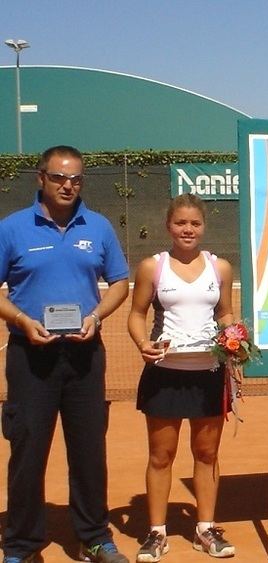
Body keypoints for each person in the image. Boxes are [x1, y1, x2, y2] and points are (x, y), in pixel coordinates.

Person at [0, 146, 130, 563]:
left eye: (75, 179)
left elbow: (120, 283)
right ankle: (21, 545)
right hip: (29, 357)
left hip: (85, 356)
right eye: (58, 177)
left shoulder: (100, 227)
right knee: (28, 451)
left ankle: (93, 536)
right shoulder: (12, 228)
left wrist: (95, 316)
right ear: (41, 178)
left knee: (90, 451)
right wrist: (22, 321)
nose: (67, 185)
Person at [127, 194, 236, 561]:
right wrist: (143, 343)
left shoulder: (219, 268)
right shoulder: (151, 267)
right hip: (165, 373)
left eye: (195, 224)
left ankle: (205, 528)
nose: (188, 230)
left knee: (206, 454)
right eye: (180, 223)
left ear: (203, 227)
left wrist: (235, 338)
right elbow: (137, 314)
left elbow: (225, 313)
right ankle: (157, 532)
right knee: (161, 455)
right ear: (168, 226)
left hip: (208, 373)